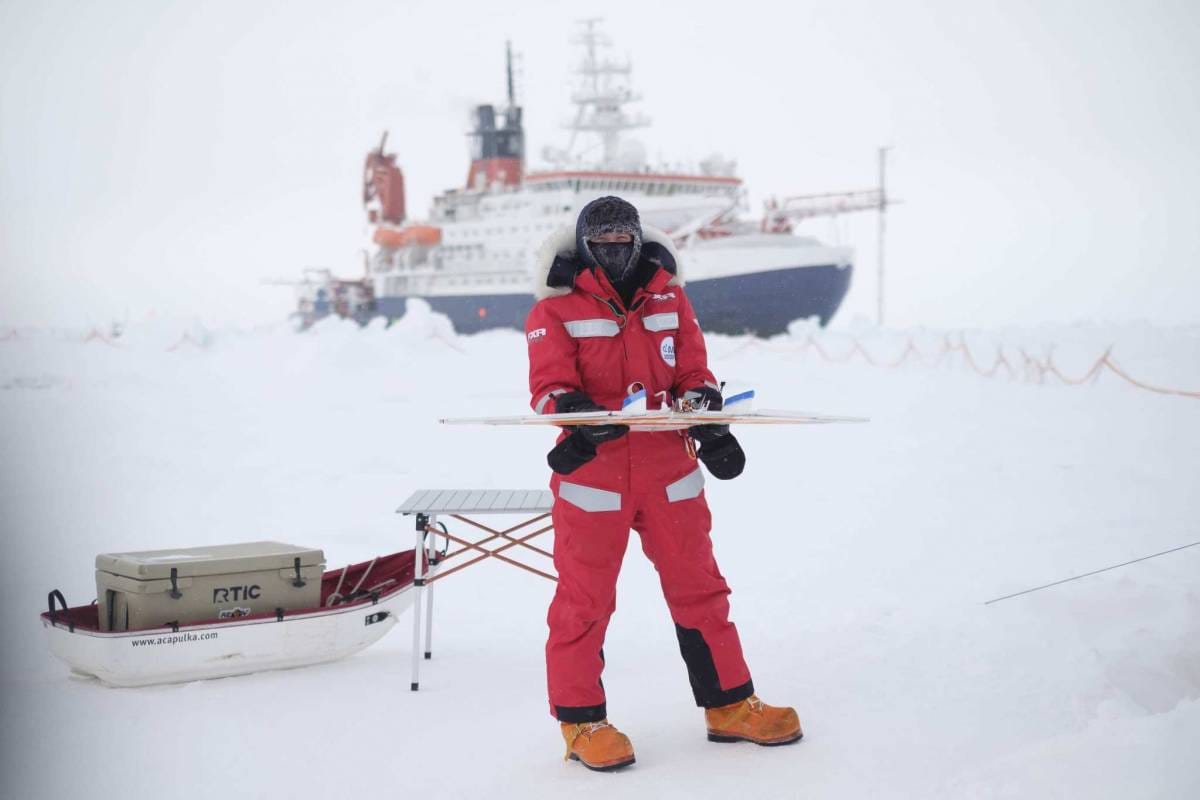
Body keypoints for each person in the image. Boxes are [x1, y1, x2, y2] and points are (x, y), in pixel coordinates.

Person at [525, 196, 802, 772]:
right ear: (583, 247)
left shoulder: (671, 298)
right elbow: (548, 386)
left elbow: (693, 371)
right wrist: (575, 416)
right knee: (584, 602)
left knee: (702, 591)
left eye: (622, 243)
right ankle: (582, 721)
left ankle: (728, 706)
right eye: (601, 246)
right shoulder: (554, 310)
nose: (614, 253)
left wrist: (708, 418)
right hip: (594, 477)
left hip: (670, 471)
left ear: (636, 240)